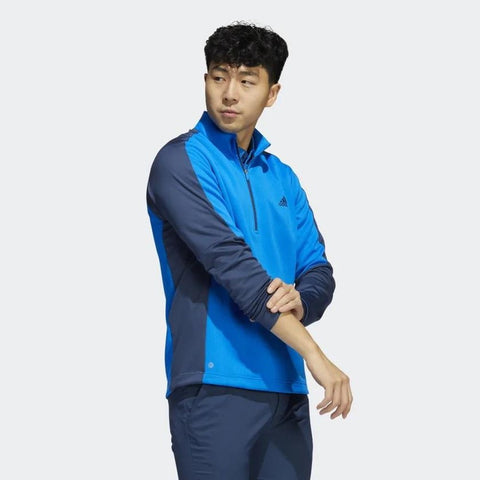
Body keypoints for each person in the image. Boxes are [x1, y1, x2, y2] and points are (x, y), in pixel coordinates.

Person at [146, 21, 353, 480]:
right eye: (219, 77)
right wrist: (315, 354)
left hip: (286, 390)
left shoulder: (282, 177)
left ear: (272, 93)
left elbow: (318, 269)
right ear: (205, 80)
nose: (229, 94)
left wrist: (303, 299)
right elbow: (233, 267)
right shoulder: (181, 161)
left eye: (247, 81)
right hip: (215, 385)